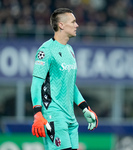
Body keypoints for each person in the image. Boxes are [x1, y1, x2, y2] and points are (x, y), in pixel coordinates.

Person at [30, 8, 98, 150]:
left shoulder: (69, 50)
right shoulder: (46, 50)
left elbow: (70, 84)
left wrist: (85, 108)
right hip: (53, 115)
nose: (77, 25)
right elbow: (36, 84)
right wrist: (37, 113)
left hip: (70, 116)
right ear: (61, 25)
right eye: (73, 22)